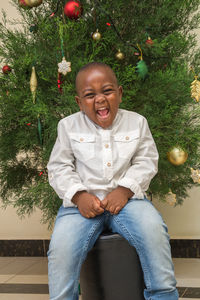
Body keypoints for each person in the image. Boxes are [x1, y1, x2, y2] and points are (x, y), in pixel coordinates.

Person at [47, 62, 178, 300]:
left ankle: (163, 294)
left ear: (119, 93)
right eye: (90, 95)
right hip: (81, 207)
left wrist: (125, 190)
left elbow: (147, 160)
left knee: (154, 231)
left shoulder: (137, 122)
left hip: (128, 202)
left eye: (107, 91)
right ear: (79, 102)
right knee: (62, 247)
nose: (99, 99)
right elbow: (58, 167)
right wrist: (79, 196)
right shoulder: (68, 127)